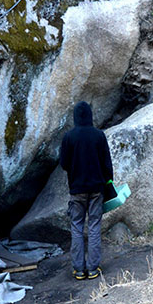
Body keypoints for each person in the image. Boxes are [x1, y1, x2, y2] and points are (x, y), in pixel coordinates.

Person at [59, 101, 114, 280]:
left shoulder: (69, 137)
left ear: (75, 116)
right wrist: (109, 182)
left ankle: (78, 270)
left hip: (77, 190)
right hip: (97, 189)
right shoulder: (99, 135)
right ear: (90, 115)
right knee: (94, 226)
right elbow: (107, 163)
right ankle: (92, 269)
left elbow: (64, 164)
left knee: (76, 227)